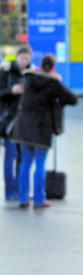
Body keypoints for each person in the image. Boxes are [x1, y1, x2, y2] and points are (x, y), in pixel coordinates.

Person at [9, 54, 78, 209]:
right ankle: (39, 199)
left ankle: (23, 198)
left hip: (23, 126)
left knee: (25, 163)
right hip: (41, 128)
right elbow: (73, 99)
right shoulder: (54, 83)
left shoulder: (29, 78)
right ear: (53, 67)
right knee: (40, 165)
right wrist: (58, 98)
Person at [0, 47, 33, 201]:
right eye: (22, 58)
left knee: (23, 157)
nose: (24, 62)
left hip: (26, 122)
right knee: (10, 156)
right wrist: (11, 91)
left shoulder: (32, 74)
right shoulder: (6, 71)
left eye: (27, 59)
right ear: (17, 57)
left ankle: (21, 190)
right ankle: (9, 191)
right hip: (9, 122)